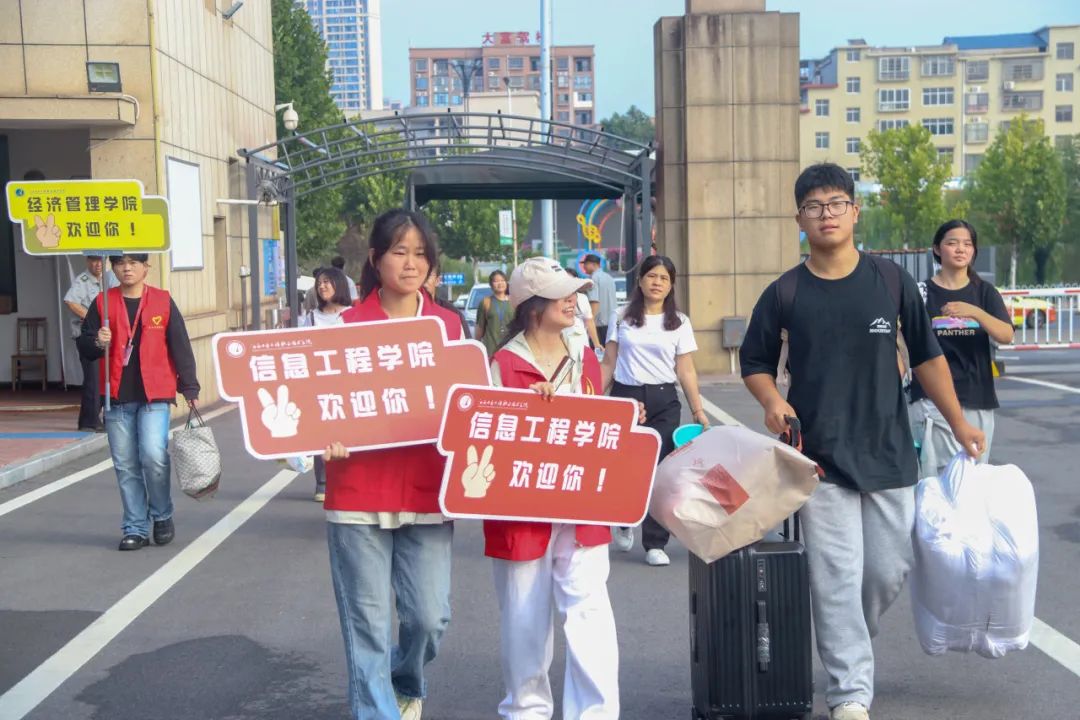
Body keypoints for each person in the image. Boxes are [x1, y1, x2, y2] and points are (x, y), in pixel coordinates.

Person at [738, 164, 986, 720]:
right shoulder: (784, 292)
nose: (825, 215)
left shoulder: (890, 282)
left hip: (890, 452)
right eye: (813, 207)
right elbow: (754, 362)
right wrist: (772, 402)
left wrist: (959, 422)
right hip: (819, 457)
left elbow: (927, 357)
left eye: (835, 204)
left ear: (854, 211)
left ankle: (851, 637)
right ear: (799, 218)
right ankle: (850, 691)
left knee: (885, 570)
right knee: (836, 578)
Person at [321, 209, 462, 720]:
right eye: (399, 252)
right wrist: (325, 437)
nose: (411, 263)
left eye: (420, 254)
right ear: (376, 258)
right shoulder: (346, 328)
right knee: (368, 625)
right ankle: (377, 710)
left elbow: (468, 400)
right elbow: (319, 406)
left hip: (428, 489)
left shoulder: (448, 326)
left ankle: (405, 680)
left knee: (429, 618)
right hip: (358, 491)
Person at [485, 256, 620, 720]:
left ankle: (596, 714)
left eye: (574, 293)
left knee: (590, 613)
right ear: (532, 305)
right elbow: (486, 435)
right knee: (524, 619)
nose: (573, 301)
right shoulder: (502, 365)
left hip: (582, 504)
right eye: (562, 294)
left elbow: (596, 424)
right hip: (522, 510)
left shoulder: (583, 355)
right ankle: (525, 711)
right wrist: (525, 410)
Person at [76, 253, 200, 552]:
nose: (126, 268)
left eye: (133, 263)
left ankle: (162, 515)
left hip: (155, 394)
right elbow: (85, 346)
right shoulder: (102, 303)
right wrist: (98, 341)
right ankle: (135, 527)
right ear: (113, 268)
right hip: (116, 396)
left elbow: (180, 344)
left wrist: (189, 386)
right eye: (120, 263)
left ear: (146, 268)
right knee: (126, 464)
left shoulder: (162, 300)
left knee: (153, 456)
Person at [600, 255, 709, 566]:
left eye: (664, 278)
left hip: (664, 401)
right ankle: (624, 519)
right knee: (626, 468)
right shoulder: (621, 316)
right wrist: (591, 400)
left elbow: (685, 369)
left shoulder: (679, 322)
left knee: (660, 471)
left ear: (671, 285)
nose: (657, 282)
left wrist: (698, 410)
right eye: (651, 276)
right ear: (640, 280)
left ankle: (655, 543)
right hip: (626, 397)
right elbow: (609, 363)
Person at [909, 220, 1013, 475]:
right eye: (952, 243)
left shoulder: (984, 292)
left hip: (976, 397)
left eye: (967, 244)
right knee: (937, 479)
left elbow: (1006, 335)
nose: (960, 249)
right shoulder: (921, 293)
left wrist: (974, 312)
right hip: (932, 401)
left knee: (972, 479)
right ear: (937, 249)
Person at [305, 267, 352, 503]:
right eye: (319, 283)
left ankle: (349, 480)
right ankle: (322, 482)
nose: (322, 286)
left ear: (339, 284)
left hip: (349, 383)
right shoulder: (312, 318)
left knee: (349, 433)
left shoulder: (353, 315)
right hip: (321, 384)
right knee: (323, 432)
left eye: (327, 282)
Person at [64, 255, 118, 431]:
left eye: (101, 260)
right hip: (87, 336)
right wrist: (92, 317)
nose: (97, 264)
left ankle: (102, 417)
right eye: (93, 260)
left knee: (106, 376)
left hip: (106, 335)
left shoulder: (110, 278)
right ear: (87, 261)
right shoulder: (83, 280)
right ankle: (89, 421)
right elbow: (70, 301)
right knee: (93, 378)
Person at [424, 264, 469, 339]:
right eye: (419, 275)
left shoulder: (453, 314)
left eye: (428, 276)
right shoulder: (405, 312)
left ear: (438, 280)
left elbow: (466, 344)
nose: (423, 281)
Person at [474, 269, 511, 355]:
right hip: (491, 350)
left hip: (510, 348)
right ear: (491, 284)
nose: (500, 283)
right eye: (496, 281)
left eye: (502, 280)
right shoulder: (485, 302)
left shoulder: (514, 301)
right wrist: (477, 348)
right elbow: (480, 327)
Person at [582, 254, 617, 345]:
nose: (584, 267)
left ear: (593, 264)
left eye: (585, 264)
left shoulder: (593, 278)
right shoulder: (609, 277)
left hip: (599, 324)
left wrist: (590, 323)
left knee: (598, 351)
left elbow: (594, 302)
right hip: (612, 322)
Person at [566, 267, 602, 349]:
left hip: (581, 341)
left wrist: (596, 344)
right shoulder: (554, 300)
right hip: (563, 342)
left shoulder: (582, 298)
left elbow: (589, 321)